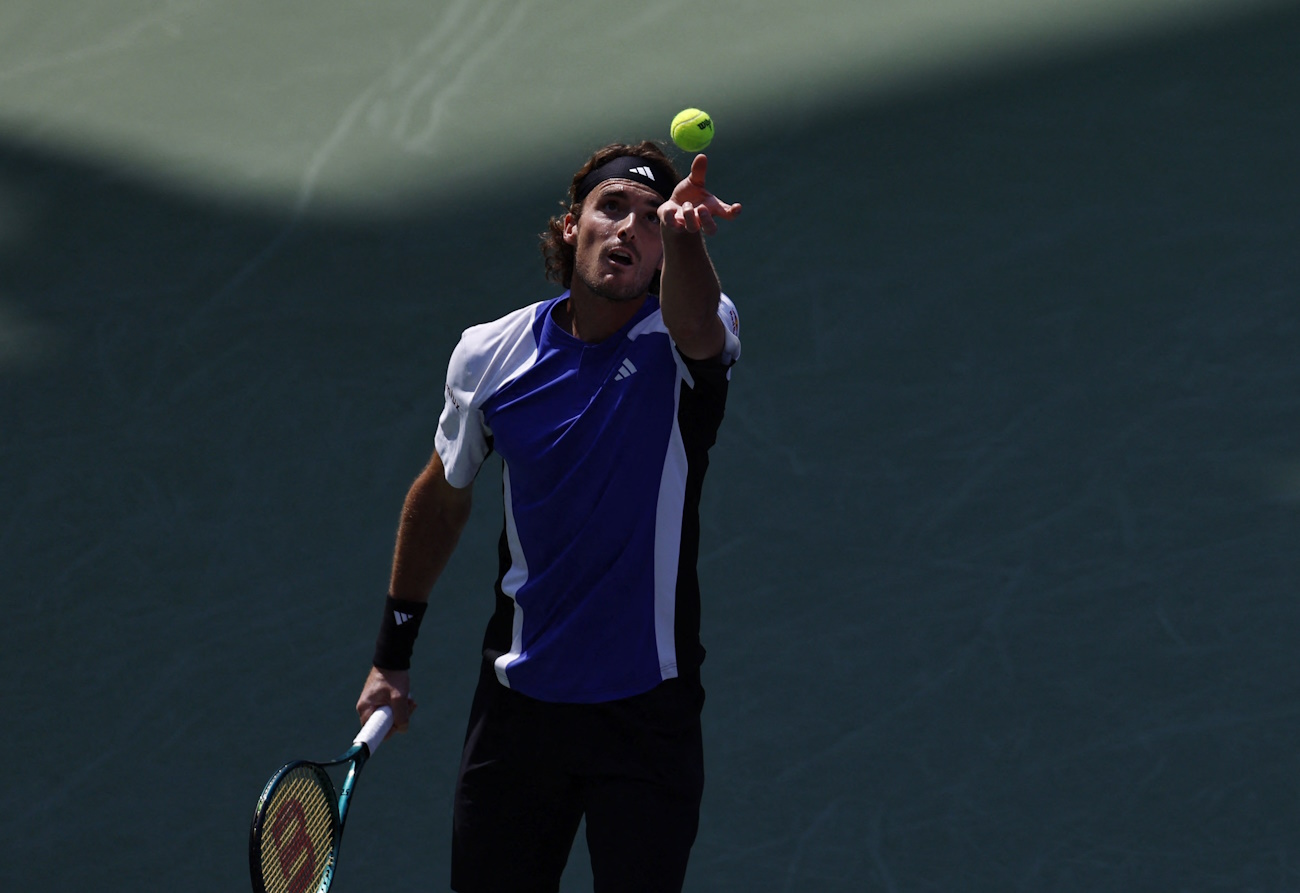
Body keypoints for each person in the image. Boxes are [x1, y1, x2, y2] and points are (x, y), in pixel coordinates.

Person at [355, 139, 743, 893]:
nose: (630, 229)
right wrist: (391, 651)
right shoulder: (488, 356)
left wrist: (688, 237)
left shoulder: (684, 338)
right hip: (518, 713)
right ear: (572, 227)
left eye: (652, 221)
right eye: (612, 208)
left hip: (646, 716)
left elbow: (697, 322)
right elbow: (443, 495)